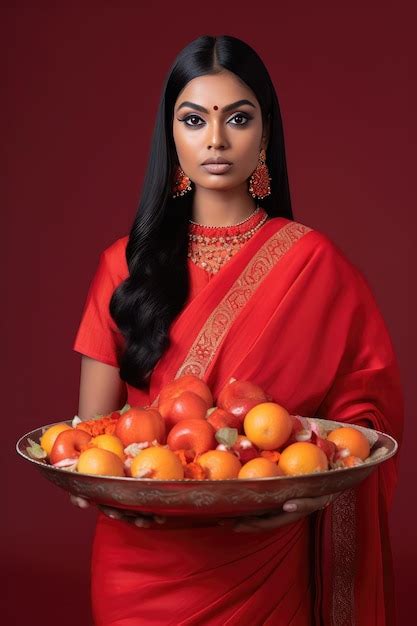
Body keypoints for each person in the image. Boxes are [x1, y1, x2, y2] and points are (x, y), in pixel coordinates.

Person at [70, 34, 404, 625]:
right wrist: (98, 490)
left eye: (239, 119)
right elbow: (89, 440)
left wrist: (307, 497)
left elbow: (363, 428)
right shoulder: (122, 267)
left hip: (265, 558)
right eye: (194, 119)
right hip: (142, 565)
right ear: (171, 137)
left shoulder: (314, 265)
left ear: (266, 134)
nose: (216, 140)